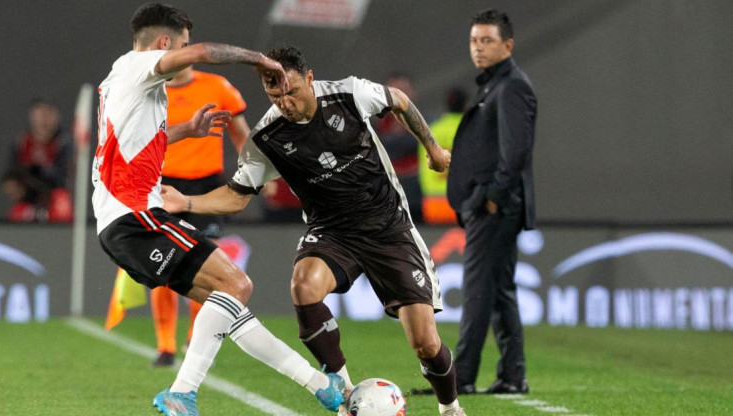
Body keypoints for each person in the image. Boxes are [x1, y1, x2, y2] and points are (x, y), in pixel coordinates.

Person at [161, 46, 467, 416]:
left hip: (388, 227)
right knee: (303, 285)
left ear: (309, 78)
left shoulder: (349, 93)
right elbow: (237, 196)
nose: (285, 102)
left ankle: (450, 407)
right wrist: (187, 203)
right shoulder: (267, 137)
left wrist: (433, 149)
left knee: (425, 343)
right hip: (332, 231)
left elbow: (399, 101)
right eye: (275, 95)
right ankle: (346, 395)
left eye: (291, 91)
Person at [92, 4, 345, 415]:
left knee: (231, 304)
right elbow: (203, 52)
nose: (186, 51)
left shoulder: (123, 80)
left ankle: (320, 386)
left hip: (125, 219)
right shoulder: (141, 64)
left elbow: (132, 144)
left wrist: (184, 131)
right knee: (237, 284)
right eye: (182, 44)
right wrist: (261, 60)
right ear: (163, 43)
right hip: (135, 214)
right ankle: (182, 392)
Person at [447, 9, 537, 395]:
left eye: (487, 41)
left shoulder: (513, 86)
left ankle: (461, 378)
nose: (478, 48)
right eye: (474, 41)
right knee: (499, 290)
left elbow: (515, 153)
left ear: (508, 45)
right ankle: (513, 376)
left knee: (478, 290)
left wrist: (493, 200)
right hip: (489, 205)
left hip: (495, 207)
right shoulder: (495, 85)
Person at [150, 64, 251, 367]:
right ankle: (165, 346)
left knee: (205, 265)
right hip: (163, 184)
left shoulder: (218, 86)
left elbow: (240, 131)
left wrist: (256, 175)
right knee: (161, 268)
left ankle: (196, 339)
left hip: (206, 187)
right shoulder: (151, 92)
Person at [2, 99, 74, 223]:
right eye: (40, 114)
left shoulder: (64, 143)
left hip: (54, 198)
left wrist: (36, 171)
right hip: (27, 198)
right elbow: (12, 174)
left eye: (48, 114)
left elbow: (61, 177)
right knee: (18, 214)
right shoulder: (21, 142)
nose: (44, 120)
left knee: (61, 205)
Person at [371, 72, 423, 222]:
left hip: (416, 197)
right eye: (394, 91)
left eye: (404, 91)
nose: (399, 97)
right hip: (384, 198)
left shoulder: (427, 124)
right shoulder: (372, 125)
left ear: (413, 93)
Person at [418, 87, 467, 224]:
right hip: (462, 202)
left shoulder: (432, 130)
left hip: (433, 203)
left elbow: (423, 166)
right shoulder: (470, 128)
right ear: (466, 105)